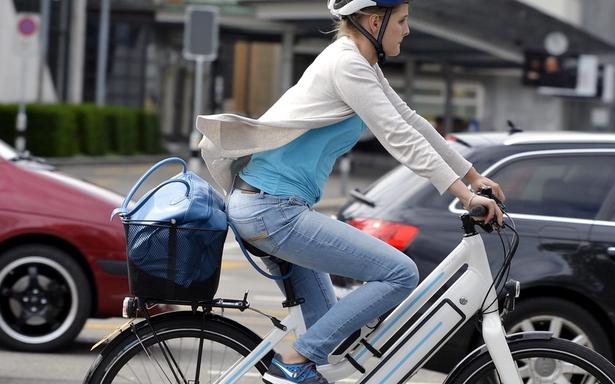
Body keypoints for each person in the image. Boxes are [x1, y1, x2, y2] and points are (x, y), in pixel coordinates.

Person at [195, 1, 505, 383]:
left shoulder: (360, 63)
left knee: (332, 348)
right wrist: (465, 194)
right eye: (403, 21)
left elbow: (411, 123)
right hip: (272, 210)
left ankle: (302, 363)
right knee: (399, 274)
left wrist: (473, 177)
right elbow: (397, 138)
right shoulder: (348, 65)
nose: (407, 30)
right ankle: (292, 360)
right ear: (375, 21)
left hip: (270, 207)